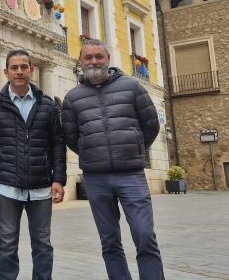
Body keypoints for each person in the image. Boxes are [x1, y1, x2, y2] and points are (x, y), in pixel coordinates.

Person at [61, 38, 164, 280]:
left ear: (108, 59)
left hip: (132, 175)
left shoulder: (133, 87)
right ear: (81, 61)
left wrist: (134, 148)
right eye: (89, 57)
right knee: (109, 241)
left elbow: (150, 125)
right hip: (96, 179)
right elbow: (71, 136)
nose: (94, 61)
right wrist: (91, 153)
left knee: (144, 235)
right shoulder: (72, 98)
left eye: (99, 56)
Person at [0, 49, 66, 280]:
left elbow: (57, 143)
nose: (19, 72)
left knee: (43, 244)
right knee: (6, 245)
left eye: (24, 67)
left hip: (41, 187)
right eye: (14, 68)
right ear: (6, 72)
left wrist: (59, 179)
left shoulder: (47, 105)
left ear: (31, 70)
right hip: (6, 187)